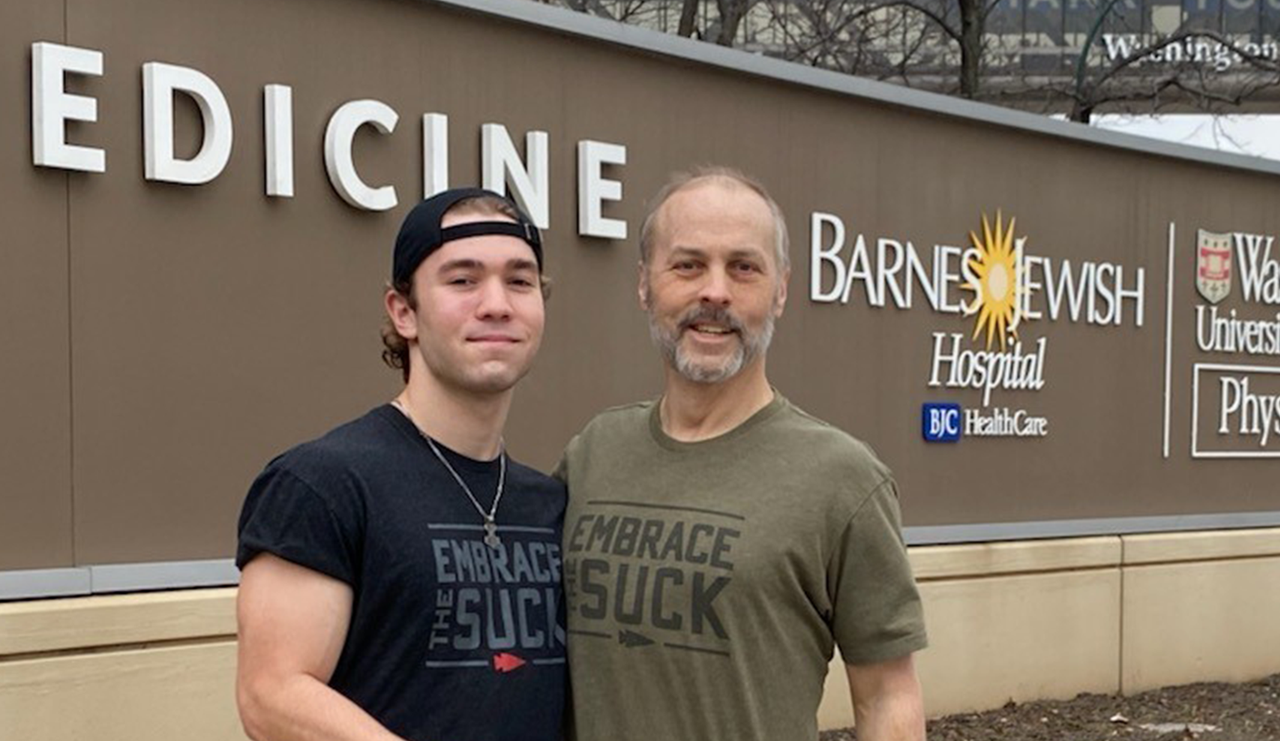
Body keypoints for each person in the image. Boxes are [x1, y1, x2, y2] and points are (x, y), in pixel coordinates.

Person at [556, 167, 927, 741]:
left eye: (744, 267)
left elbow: (886, 697)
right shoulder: (592, 454)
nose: (715, 292)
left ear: (780, 290)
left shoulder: (844, 480)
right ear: (644, 284)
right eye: (687, 265)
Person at [235, 188, 566, 741]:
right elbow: (271, 695)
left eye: (520, 280)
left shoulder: (549, 501)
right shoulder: (322, 484)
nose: (497, 303)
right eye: (463, 280)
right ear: (404, 312)